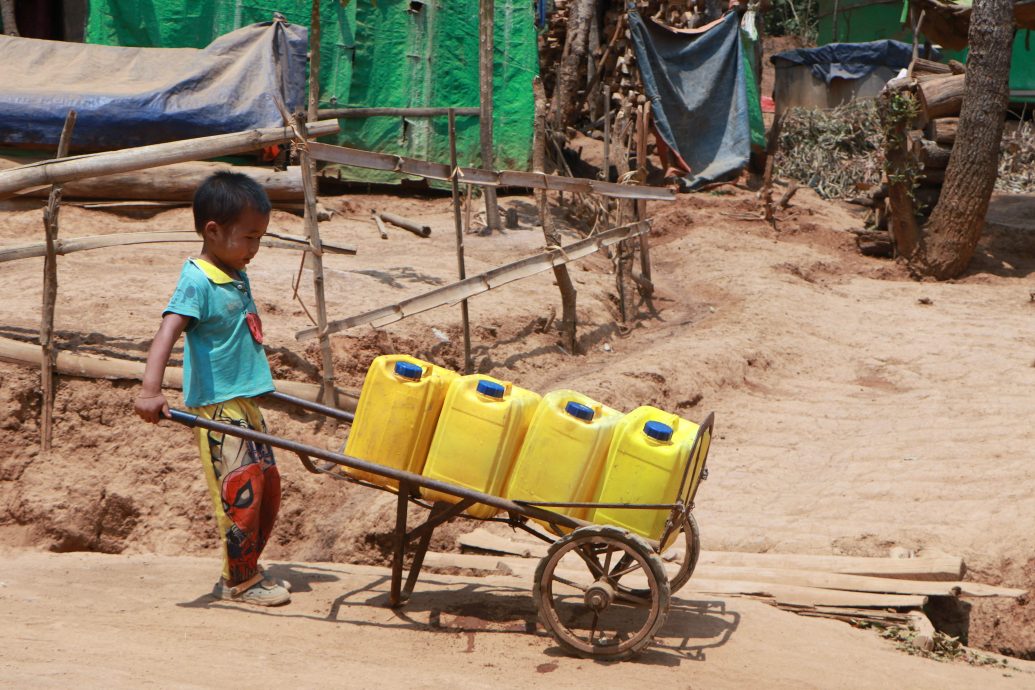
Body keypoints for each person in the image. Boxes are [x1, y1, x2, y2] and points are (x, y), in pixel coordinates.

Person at [134, 171, 289, 607]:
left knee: (267, 489)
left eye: (261, 239)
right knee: (241, 495)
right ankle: (238, 581)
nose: (255, 249)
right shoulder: (198, 281)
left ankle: (249, 568)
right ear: (214, 231)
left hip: (246, 402)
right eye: (249, 238)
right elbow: (167, 331)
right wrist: (150, 389)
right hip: (220, 410)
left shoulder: (232, 270)